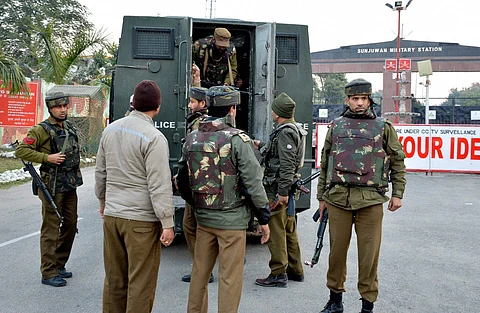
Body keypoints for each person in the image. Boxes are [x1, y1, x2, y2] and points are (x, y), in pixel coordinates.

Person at [316, 78, 407, 313]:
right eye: (355, 98)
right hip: (338, 199)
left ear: (369, 100)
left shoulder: (383, 127)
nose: (359, 103)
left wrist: (398, 194)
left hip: (370, 201)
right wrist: (321, 197)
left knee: (369, 256)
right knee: (336, 254)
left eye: (363, 98)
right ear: (347, 100)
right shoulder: (336, 126)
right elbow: (325, 162)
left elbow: (397, 161)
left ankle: (367, 305)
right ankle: (335, 300)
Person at [177, 86, 270, 313]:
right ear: (232, 109)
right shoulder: (237, 139)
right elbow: (253, 182)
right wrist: (263, 218)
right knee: (229, 278)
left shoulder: (192, 138)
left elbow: (182, 178)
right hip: (232, 221)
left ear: (208, 106)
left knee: (199, 274)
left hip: (204, 219)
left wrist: (197, 204)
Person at [95, 80, 175, 313]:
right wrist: (167, 223)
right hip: (141, 221)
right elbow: (159, 184)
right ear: (157, 107)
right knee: (140, 284)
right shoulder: (153, 137)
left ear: (133, 104)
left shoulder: (110, 130)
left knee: (114, 281)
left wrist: (102, 202)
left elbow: (101, 173)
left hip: (112, 217)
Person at [15, 92, 83, 287]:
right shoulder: (41, 130)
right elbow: (21, 150)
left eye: (64, 106)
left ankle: (59, 263)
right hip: (51, 186)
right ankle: (48, 272)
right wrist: (47, 158)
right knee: (50, 229)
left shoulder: (69, 126)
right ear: (50, 109)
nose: (62, 110)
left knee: (70, 225)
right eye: (58, 107)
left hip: (70, 184)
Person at [255, 93, 306, 288]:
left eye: (274, 109)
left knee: (276, 231)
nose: (272, 112)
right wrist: (259, 144)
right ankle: (295, 270)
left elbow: (286, 164)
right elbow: (278, 154)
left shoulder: (285, 132)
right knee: (289, 230)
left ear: (278, 112)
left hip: (277, 189)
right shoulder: (294, 129)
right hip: (287, 188)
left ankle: (278, 273)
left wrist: (282, 193)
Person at [178, 86, 214, 284]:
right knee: (193, 225)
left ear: (202, 104)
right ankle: (202, 268)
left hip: (197, 182)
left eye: (193, 102)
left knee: (192, 225)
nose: (190, 105)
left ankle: (203, 270)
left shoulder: (201, 123)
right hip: (198, 181)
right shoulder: (199, 121)